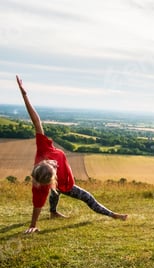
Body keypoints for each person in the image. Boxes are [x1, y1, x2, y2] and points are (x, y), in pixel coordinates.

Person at [16, 75, 128, 234]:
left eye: (52, 164)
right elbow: (37, 205)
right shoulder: (42, 187)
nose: (55, 164)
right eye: (55, 168)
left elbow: (36, 122)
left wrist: (25, 95)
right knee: (87, 197)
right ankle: (114, 215)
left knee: (55, 194)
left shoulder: (43, 150)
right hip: (64, 185)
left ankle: (53, 212)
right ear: (51, 180)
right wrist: (32, 225)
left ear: (43, 163)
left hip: (59, 185)